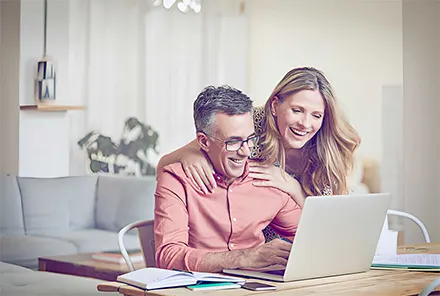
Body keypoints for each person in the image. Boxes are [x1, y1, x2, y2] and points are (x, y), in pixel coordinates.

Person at [157, 67, 360, 209]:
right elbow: (164, 165)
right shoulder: (249, 123)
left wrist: (293, 188)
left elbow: (330, 221)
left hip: (302, 239)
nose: (305, 124)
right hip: (251, 239)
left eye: (316, 115)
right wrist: (191, 156)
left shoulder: (328, 144)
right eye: (297, 110)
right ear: (274, 106)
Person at [154, 85, 302, 272]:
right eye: (233, 142)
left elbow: (309, 236)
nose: (246, 151)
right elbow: (168, 256)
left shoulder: (266, 179)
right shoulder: (176, 180)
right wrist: (243, 257)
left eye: (250, 139)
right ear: (204, 142)